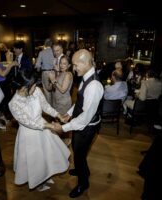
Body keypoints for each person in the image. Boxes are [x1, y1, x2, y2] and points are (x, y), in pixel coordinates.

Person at [51, 49, 104, 198]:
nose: (73, 69)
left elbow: (85, 118)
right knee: (77, 150)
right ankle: (83, 170)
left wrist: (62, 128)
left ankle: (83, 183)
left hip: (87, 127)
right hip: (81, 124)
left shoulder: (94, 86)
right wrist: (69, 113)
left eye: (75, 65)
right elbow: (80, 101)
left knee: (79, 154)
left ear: (86, 63)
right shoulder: (85, 76)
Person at [8, 72, 70, 191]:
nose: (35, 88)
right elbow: (30, 123)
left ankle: (45, 177)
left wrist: (58, 115)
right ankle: (37, 182)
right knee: (35, 160)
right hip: (29, 134)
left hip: (43, 127)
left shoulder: (36, 91)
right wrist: (51, 126)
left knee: (46, 156)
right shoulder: (13, 104)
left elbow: (45, 106)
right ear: (24, 88)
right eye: (33, 86)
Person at [34, 38, 55, 105]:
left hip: (45, 73)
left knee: (47, 91)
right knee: (54, 91)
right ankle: (55, 108)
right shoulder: (54, 52)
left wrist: (38, 69)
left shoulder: (42, 52)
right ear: (51, 44)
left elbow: (38, 65)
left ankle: (50, 109)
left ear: (45, 44)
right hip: (54, 72)